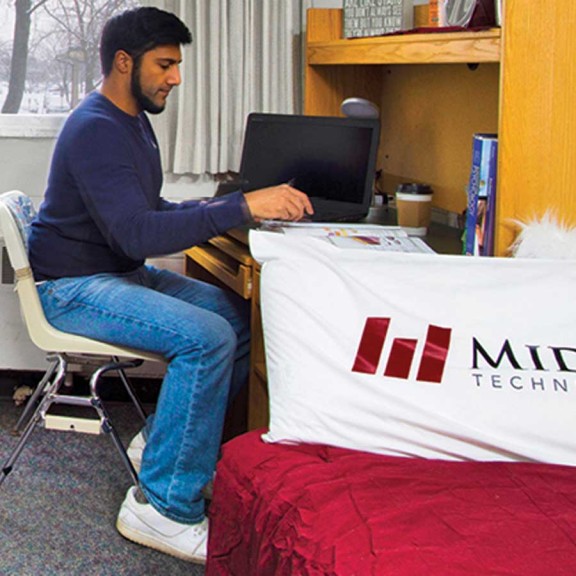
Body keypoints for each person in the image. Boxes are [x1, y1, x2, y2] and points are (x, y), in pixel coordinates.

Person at [28, 7, 313, 565]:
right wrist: (239, 205)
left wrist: (230, 209)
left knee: (234, 317)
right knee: (206, 338)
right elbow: (136, 234)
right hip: (72, 284)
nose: (175, 78)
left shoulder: (132, 122)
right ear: (123, 62)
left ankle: (164, 447)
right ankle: (161, 506)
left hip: (112, 270)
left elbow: (147, 211)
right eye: (165, 65)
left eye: (177, 65)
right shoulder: (95, 129)